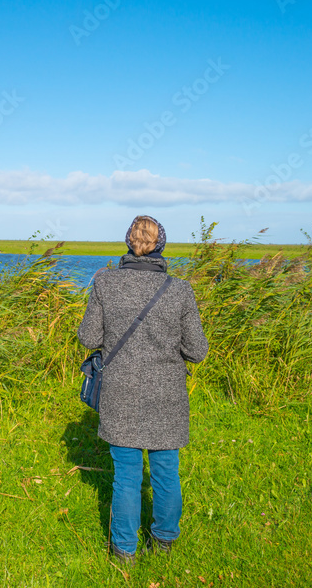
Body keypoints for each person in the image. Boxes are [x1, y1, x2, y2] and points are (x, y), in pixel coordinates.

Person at [77, 215, 208, 564]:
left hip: (120, 395)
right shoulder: (179, 290)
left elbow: (89, 338)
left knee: (126, 477)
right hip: (167, 397)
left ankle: (124, 552)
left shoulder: (105, 283)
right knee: (166, 473)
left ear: (128, 243)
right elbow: (198, 351)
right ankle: (164, 542)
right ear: (161, 246)